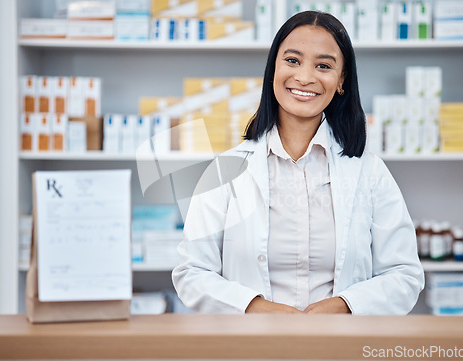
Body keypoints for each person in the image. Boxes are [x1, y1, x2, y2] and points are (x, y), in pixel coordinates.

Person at [172, 11, 424, 314]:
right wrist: (257, 308)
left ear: (341, 80)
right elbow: (192, 272)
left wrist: (344, 305)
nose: (305, 77)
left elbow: (404, 274)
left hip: (340, 346)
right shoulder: (225, 170)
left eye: (323, 65)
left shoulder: (370, 172)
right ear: (273, 69)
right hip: (252, 345)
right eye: (292, 60)